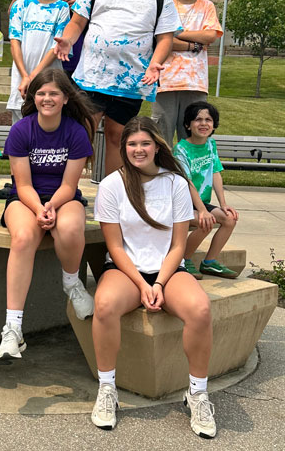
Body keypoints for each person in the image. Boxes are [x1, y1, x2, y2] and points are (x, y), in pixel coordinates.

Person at [91, 116, 215, 439]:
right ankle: (107, 389)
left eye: (145, 143)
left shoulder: (175, 183)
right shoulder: (111, 186)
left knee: (200, 309)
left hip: (168, 269)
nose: (138, 149)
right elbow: (115, 247)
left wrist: (159, 282)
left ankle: (198, 394)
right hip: (125, 269)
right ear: (123, 147)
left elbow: (178, 245)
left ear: (157, 145)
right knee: (103, 304)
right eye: (132, 144)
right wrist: (142, 285)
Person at [54, 0, 182, 175]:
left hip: (131, 82)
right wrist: (67, 39)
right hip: (91, 77)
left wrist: (156, 62)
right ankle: (67, 191)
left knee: (117, 137)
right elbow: (78, 21)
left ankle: (113, 194)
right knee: (81, 134)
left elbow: (165, 38)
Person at [0, 69, 96, 361]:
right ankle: (13, 328)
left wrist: (51, 205)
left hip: (63, 198)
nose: (46, 98)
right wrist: (39, 209)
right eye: (41, 93)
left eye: (53, 93)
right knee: (25, 236)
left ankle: (71, 284)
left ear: (66, 98)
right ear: (33, 97)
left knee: (68, 228)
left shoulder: (76, 131)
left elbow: (69, 185)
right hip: (25, 199)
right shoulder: (22, 130)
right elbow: (22, 183)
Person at [152, 0, 222, 145]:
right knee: (161, 139)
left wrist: (176, 32)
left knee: (194, 139)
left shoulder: (207, 6)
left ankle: (192, 176)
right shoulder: (165, 6)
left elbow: (210, 35)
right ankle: (163, 176)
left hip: (195, 84)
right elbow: (159, 40)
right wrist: (193, 44)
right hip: (165, 82)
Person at [173, 102, 239, 279]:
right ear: (188, 124)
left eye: (208, 120)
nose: (203, 124)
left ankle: (209, 262)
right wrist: (202, 211)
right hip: (182, 204)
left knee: (229, 219)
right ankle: (182, 260)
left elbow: (215, 172)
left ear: (214, 124)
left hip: (201, 203)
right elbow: (188, 182)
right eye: (198, 119)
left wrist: (223, 204)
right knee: (206, 221)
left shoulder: (211, 144)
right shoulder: (181, 149)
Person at [8, 0, 70, 124]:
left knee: (48, 128)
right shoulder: (20, 6)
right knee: (21, 130)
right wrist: (25, 76)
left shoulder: (62, 9)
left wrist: (33, 76)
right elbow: (14, 43)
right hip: (22, 82)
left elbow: (55, 48)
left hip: (49, 82)